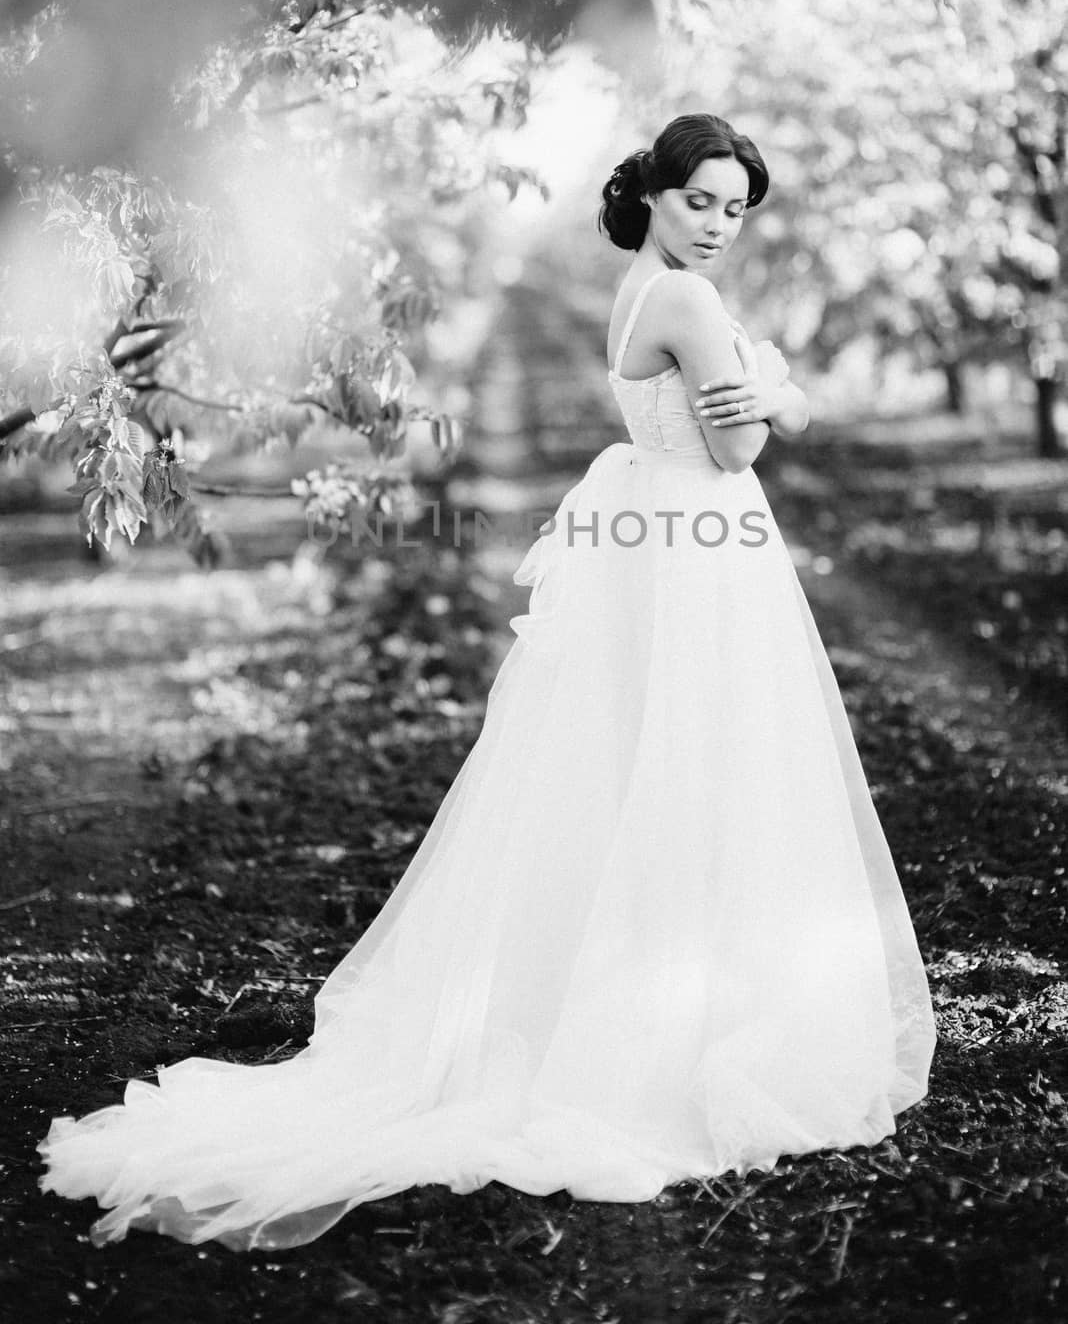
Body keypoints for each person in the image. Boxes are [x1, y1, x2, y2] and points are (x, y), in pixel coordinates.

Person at [37, 112, 937, 1251]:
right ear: (656, 194)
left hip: (661, 530)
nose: (718, 225)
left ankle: (669, 989)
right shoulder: (687, 301)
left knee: (651, 758)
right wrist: (784, 396)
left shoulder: (641, 287)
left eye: (735, 209)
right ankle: (688, 1018)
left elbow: (722, 418)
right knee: (705, 759)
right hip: (699, 527)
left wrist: (761, 391)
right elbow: (739, 449)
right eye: (701, 200)